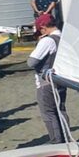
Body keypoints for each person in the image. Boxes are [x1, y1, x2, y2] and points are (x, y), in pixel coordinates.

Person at [28, 13, 68, 144]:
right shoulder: (64, 38)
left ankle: (57, 141)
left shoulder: (47, 41)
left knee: (48, 113)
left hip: (46, 82)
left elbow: (31, 62)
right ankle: (66, 139)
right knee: (61, 110)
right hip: (62, 80)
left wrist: (40, 43)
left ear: (43, 28)